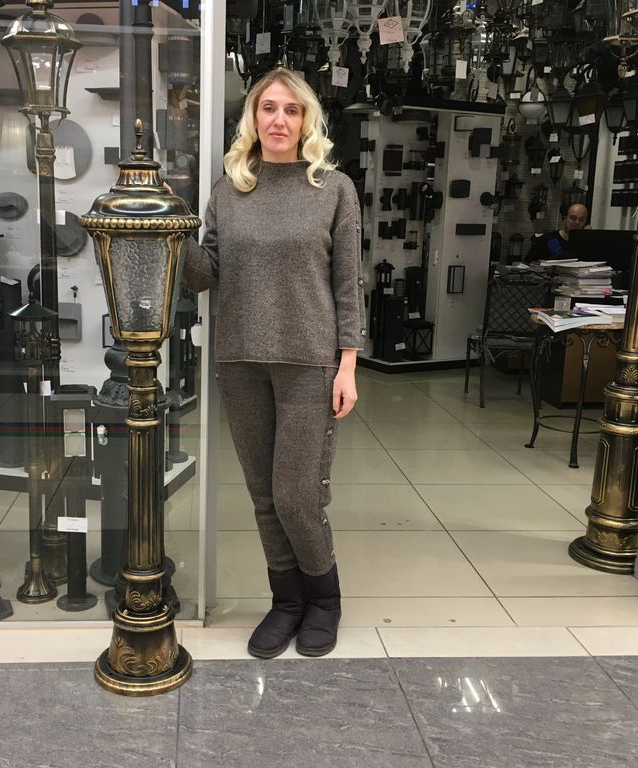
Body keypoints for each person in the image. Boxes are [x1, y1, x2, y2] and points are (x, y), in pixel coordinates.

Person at [183, 67, 366, 658]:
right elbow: (205, 273)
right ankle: (286, 602)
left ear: (306, 119)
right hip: (240, 359)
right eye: (268, 108)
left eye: (291, 109)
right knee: (263, 495)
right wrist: (173, 230)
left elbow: (348, 284)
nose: (279, 120)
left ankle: (325, 600)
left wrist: (347, 364)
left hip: (310, 361)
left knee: (296, 495)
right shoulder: (228, 190)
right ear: (253, 118)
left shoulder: (333, 188)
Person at [523, 202, 589, 263]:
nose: (577, 222)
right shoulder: (546, 239)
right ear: (565, 218)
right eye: (573, 218)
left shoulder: (586, 244)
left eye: (582, 219)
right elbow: (526, 264)